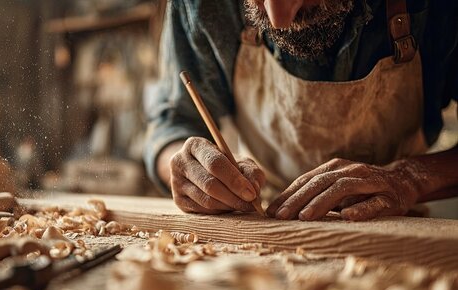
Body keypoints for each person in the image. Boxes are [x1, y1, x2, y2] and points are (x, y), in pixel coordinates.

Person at [144, 0, 458, 221]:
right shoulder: (204, 5)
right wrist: (189, 167)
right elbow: (174, 123)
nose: (277, 17)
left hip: (395, 225)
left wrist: (409, 180)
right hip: (268, 222)